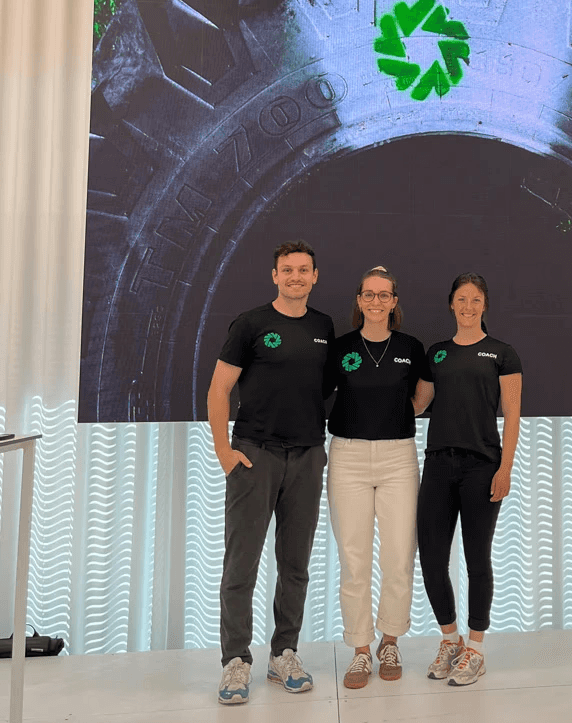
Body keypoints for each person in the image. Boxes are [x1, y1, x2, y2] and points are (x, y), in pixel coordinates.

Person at [207, 240, 335, 705]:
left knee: (295, 564)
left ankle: (284, 653)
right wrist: (224, 450)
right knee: (241, 564)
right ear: (275, 276)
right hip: (254, 455)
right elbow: (220, 388)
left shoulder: (324, 327)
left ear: (315, 276)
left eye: (304, 269)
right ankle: (235, 662)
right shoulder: (251, 324)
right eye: (288, 270)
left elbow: (321, 392)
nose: (296, 276)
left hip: (306, 456)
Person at [412, 272, 522, 686]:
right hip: (438, 467)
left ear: (484, 305)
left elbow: (512, 415)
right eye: (461, 299)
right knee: (431, 559)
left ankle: (475, 648)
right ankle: (450, 638)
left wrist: (505, 469)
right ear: (451, 304)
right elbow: (417, 406)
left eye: (475, 299)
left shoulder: (502, 354)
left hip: (482, 468)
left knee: (478, 559)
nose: (468, 306)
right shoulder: (437, 354)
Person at [326, 266, 425, 689]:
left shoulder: (410, 347)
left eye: (385, 295)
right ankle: (361, 649)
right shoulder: (341, 347)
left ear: (394, 302)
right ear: (359, 301)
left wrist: (398, 417)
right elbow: (320, 391)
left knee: (400, 555)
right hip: (347, 457)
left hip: (398, 458)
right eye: (369, 295)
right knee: (354, 559)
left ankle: (390, 640)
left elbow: (421, 397)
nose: (377, 302)